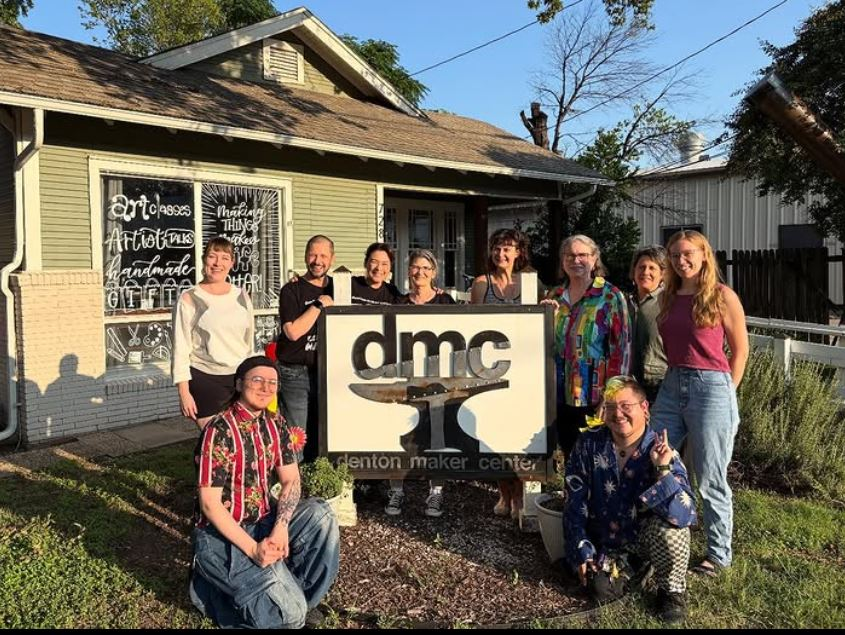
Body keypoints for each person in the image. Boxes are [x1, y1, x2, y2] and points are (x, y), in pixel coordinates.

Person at [189, 355, 340, 629]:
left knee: (321, 514)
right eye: (257, 380)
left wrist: (280, 528)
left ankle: (298, 602)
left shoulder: (275, 424)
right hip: (221, 536)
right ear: (239, 384)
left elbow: (292, 479)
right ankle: (210, 583)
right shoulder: (218, 430)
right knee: (290, 618)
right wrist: (253, 549)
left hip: (264, 521)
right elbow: (210, 504)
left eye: (272, 382)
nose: (265, 387)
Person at [651, 230, 749, 577]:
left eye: (688, 254)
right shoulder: (669, 296)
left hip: (711, 386)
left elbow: (740, 352)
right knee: (652, 456)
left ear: (704, 254)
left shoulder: (722, 296)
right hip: (673, 381)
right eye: (675, 255)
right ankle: (658, 537)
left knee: (709, 476)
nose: (682, 261)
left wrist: (726, 394)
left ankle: (718, 554)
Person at [563, 376, 696, 624]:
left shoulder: (661, 449)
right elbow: (574, 500)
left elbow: (684, 516)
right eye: (611, 406)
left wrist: (663, 471)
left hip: (645, 538)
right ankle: (636, 569)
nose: (618, 414)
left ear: (644, 409)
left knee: (671, 531)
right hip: (607, 542)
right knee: (601, 590)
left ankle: (672, 591)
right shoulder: (589, 445)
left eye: (626, 406)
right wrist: (579, 546)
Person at [542, 234, 630, 457]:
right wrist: (542, 317)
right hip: (558, 393)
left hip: (593, 394)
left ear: (595, 259)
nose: (576, 260)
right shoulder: (555, 296)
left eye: (582, 255)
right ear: (563, 261)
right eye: (570, 255)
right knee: (570, 453)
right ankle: (573, 493)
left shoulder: (610, 296)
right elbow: (540, 345)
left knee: (597, 457)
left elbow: (621, 350)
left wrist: (611, 397)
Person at [385, 249, 455, 518]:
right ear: (408, 271)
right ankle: (396, 489)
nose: (420, 272)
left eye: (426, 268)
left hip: (438, 382)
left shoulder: (446, 302)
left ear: (434, 272)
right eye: (415, 267)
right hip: (407, 379)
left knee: (436, 434)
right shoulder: (398, 302)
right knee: (401, 433)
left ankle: (436, 492)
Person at [470, 228, 530, 519]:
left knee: (519, 435)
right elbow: (470, 329)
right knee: (494, 435)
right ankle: (503, 493)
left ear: (518, 252)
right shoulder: (482, 285)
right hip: (491, 372)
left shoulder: (531, 283)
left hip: (524, 372)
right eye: (497, 248)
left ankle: (520, 493)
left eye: (508, 248)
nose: (501, 254)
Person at [172, 236, 254, 429]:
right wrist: (184, 393)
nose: (218, 263)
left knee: (244, 439)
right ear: (204, 260)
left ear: (232, 263)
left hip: (239, 379)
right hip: (205, 378)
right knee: (216, 445)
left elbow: (248, 342)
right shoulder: (190, 298)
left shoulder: (241, 296)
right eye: (212, 256)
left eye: (225, 258)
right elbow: (180, 348)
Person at [276, 235, 335, 463]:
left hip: (326, 372)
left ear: (332, 258)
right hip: (294, 372)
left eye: (323, 255)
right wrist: (319, 305)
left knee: (322, 434)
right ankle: (292, 490)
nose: (317, 260)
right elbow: (292, 332)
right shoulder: (291, 290)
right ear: (305, 255)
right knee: (296, 436)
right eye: (313, 254)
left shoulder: (337, 287)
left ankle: (316, 486)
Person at [629, 246, 669, 403]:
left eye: (652, 268)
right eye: (641, 267)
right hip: (630, 381)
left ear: (662, 274)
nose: (645, 272)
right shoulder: (624, 302)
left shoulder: (668, 302)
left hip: (660, 382)